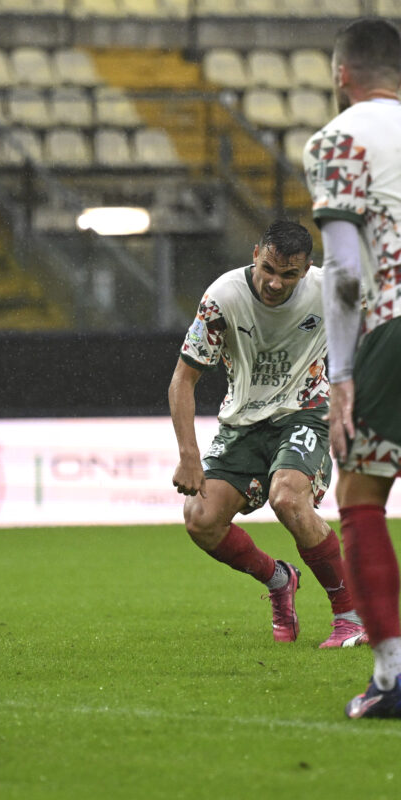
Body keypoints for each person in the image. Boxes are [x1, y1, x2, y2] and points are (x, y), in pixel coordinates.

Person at [169, 219, 367, 648]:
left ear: (308, 268)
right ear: (256, 254)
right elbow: (183, 380)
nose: (276, 283)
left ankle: (351, 616)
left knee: (288, 497)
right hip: (243, 423)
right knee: (199, 520)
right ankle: (280, 580)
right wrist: (188, 455)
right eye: (269, 269)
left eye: (289, 274)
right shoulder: (222, 298)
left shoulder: (331, 288)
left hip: (307, 411)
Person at [303, 17, 401, 718]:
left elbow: (341, 272)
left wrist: (341, 378)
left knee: (361, 497)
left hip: (392, 324)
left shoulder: (338, 137)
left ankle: (392, 675)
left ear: (342, 75)